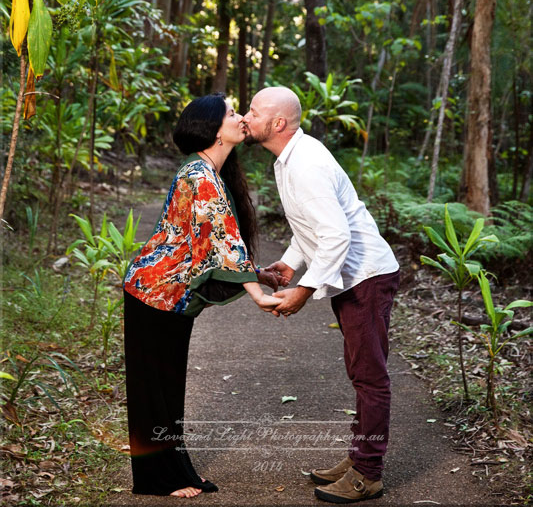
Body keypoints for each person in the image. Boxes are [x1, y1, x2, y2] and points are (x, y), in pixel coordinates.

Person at [243, 86, 400, 505]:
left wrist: (303, 290)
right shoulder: (291, 156)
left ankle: (368, 473)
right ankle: (358, 459)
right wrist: (292, 265)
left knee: (370, 377)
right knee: (360, 372)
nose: (245, 117)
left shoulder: (305, 164)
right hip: (353, 277)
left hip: (365, 276)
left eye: (253, 111)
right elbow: (308, 224)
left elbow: (336, 234)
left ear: (277, 123)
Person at [123, 93, 282, 498]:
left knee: (166, 387)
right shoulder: (201, 175)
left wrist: (258, 274)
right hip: (155, 292)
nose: (241, 118)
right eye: (232, 113)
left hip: (166, 293)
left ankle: (171, 472)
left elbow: (209, 244)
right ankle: (160, 479)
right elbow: (224, 240)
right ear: (214, 130)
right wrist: (257, 294)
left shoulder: (209, 171)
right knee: (155, 391)